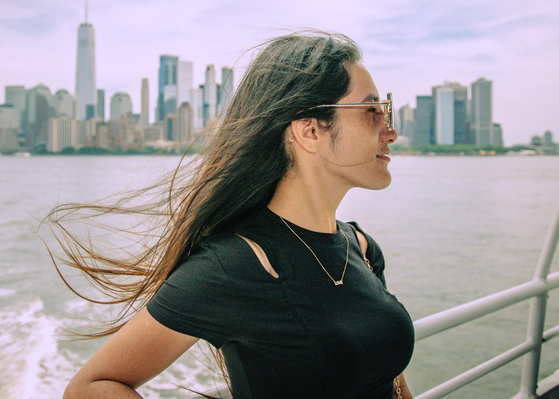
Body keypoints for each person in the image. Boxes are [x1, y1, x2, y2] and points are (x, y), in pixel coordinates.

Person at [51, 31, 415, 399]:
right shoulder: (236, 264)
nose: (391, 130)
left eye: (385, 109)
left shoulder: (364, 249)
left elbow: (390, 380)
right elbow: (91, 387)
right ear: (309, 131)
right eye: (372, 111)